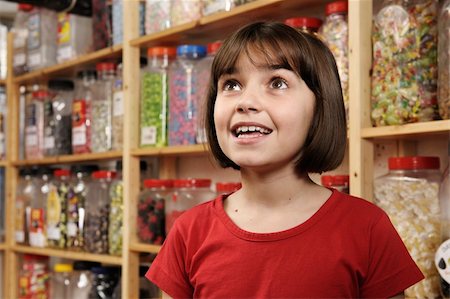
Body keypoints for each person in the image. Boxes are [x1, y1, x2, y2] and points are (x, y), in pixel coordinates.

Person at [146, 21, 424, 298]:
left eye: (277, 82)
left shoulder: (367, 228)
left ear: (320, 108)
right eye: (231, 85)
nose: (246, 101)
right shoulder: (188, 231)